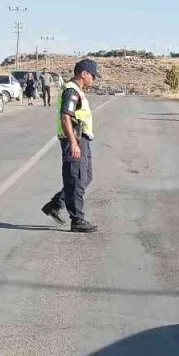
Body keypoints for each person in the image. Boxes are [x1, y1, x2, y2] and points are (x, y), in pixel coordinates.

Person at [40, 58, 101, 233]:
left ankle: (56, 203)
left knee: (86, 177)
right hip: (74, 139)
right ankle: (77, 219)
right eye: (92, 76)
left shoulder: (77, 91)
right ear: (84, 74)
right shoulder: (71, 91)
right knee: (76, 178)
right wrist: (73, 143)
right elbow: (65, 116)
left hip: (82, 139)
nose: (94, 79)